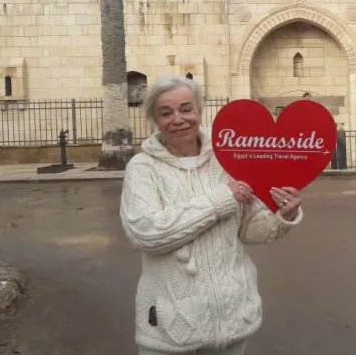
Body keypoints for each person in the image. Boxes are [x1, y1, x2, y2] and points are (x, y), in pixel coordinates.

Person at [119, 75, 304, 355]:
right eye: (166, 113)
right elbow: (146, 233)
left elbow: (247, 228)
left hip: (232, 321)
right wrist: (220, 200)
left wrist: (283, 216)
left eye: (186, 108)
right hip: (172, 330)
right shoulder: (142, 168)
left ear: (199, 111)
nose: (178, 119)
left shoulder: (227, 159)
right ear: (155, 120)